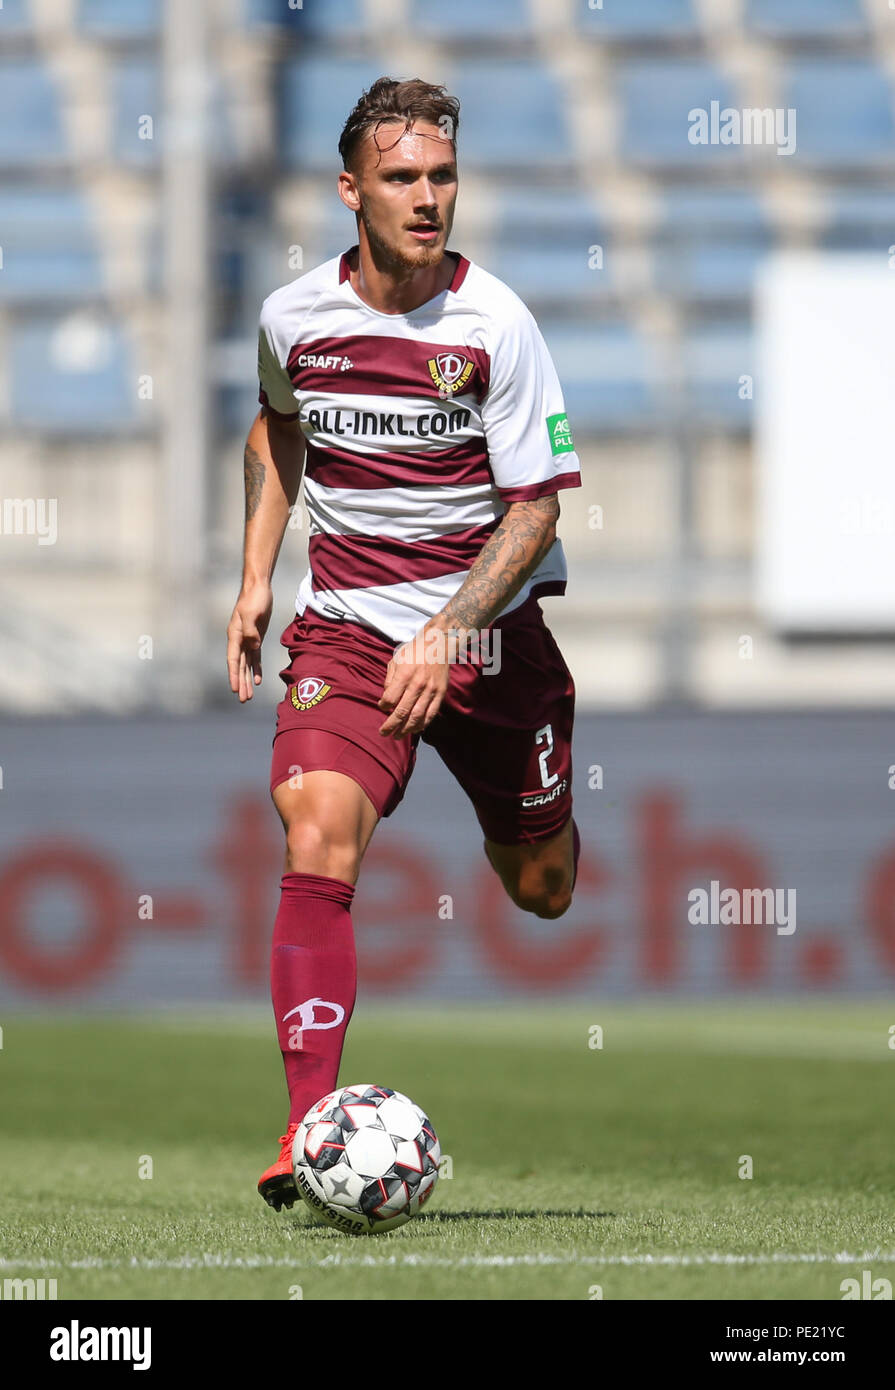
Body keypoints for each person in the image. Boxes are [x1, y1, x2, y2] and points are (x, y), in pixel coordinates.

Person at [226, 77, 582, 1212]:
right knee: (315, 829)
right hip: (348, 624)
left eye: (441, 177)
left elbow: (536, 509)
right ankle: (303, 1126)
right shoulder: (294, 318)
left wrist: (450, 628)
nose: (427, 199)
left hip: (487, 641)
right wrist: (250, 581)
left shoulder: (496, 325)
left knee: (542, 888)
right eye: (401, 178)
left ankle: (536, 821)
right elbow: (278, 429)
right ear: (351, 192)